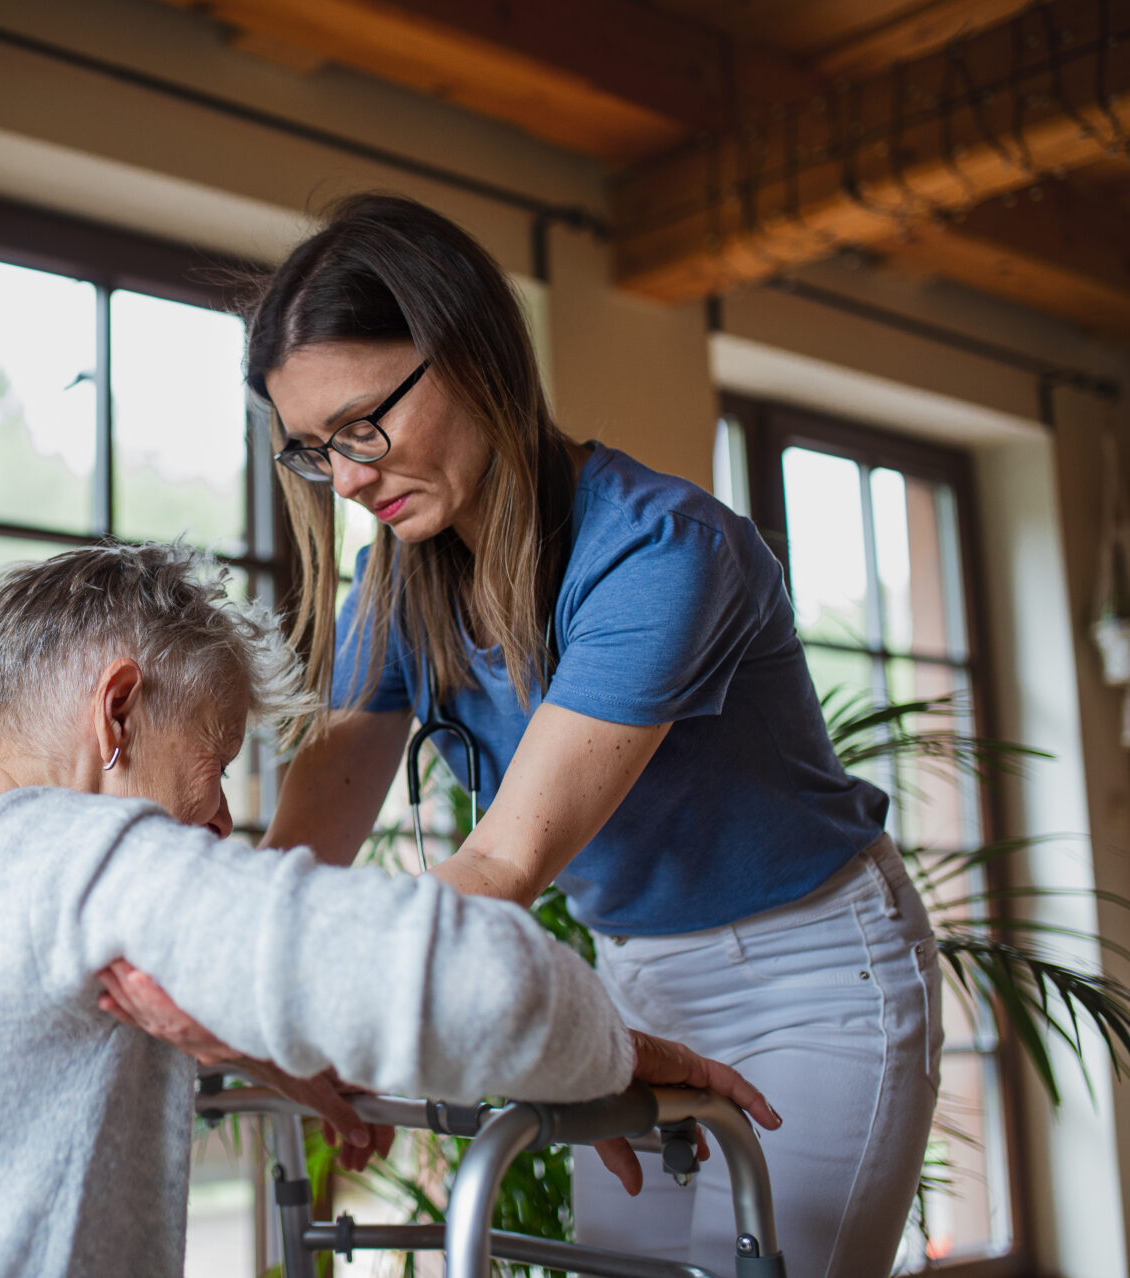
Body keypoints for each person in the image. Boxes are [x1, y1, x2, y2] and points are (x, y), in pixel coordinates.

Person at [106, 194, 942, 1278]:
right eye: (315, 450)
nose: (350, 478)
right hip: (635, 980)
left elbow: (502, 860)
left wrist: (278, 992)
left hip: (813, 976)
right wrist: (213, 982)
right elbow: (305, 858)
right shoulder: (394, 584)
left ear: (476, 358)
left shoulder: (659, 553)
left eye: (366, 424)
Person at [0, 541, 775, 1278]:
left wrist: (256, 1032)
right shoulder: (78, 858)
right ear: (119, 714)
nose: (216, 831)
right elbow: (491, 983)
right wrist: (612, 1055)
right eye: (211, 768)